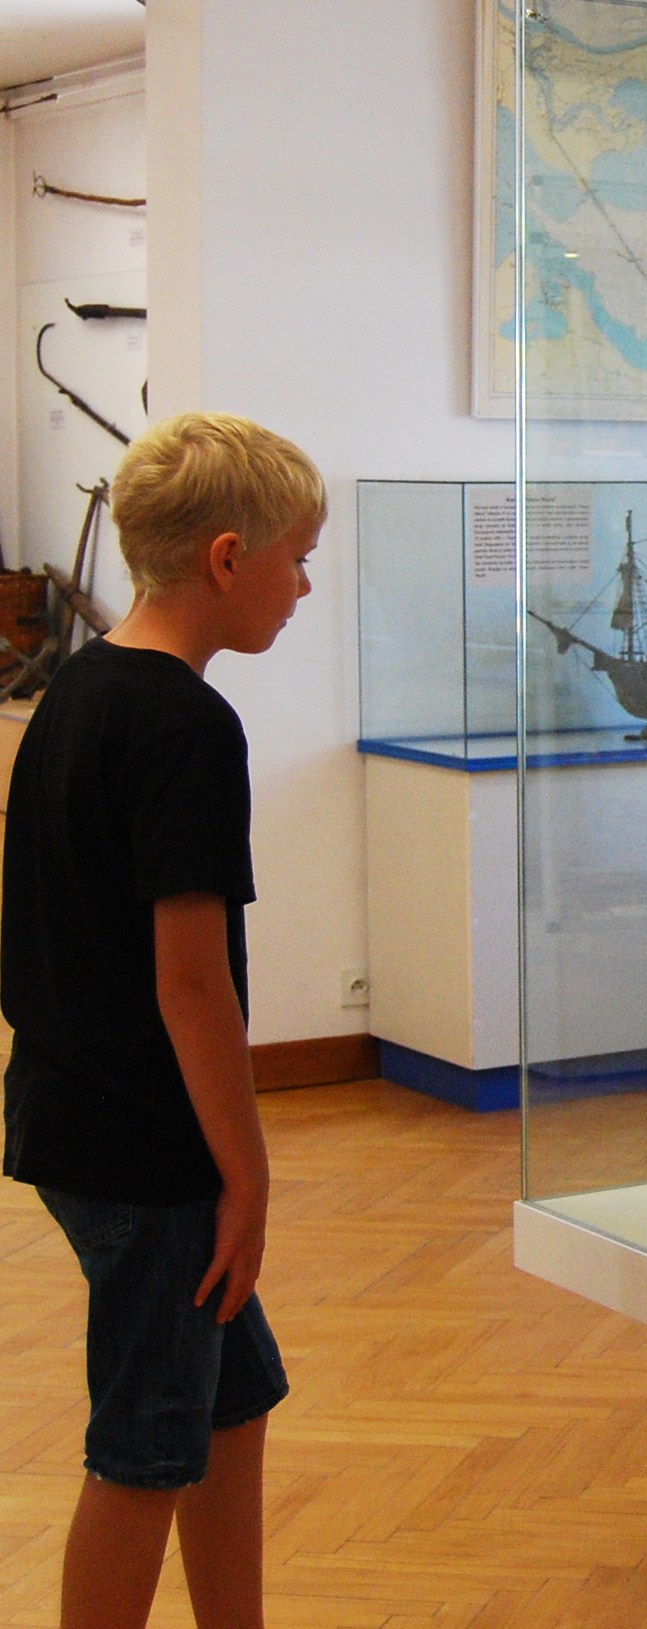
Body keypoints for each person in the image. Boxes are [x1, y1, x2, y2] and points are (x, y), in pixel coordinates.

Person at [3, 412, 322, 1629]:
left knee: (232, 1402)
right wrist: (248, 1173)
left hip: (73, 1116)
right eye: (298, 559)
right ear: (229, 559)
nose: (304, 587)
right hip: (148, 1152)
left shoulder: (78, 688)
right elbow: (191, 985)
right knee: (143, 1451)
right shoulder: (186, 725)